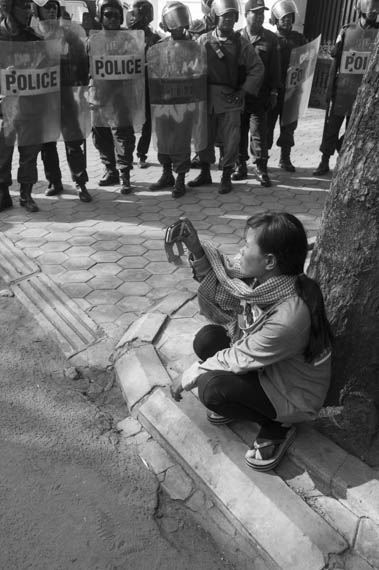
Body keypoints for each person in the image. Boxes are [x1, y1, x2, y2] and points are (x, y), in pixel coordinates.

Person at [171, 212, 332, 471]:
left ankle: (278, 426)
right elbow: (222, 280)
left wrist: (188, 375)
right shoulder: (264, 282)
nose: (241, 252)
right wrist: (197, 249)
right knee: (207, 340)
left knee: (210, 387)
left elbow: (238, 357)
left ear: (269, 261)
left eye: (246, 246)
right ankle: (245, 403)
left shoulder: (290, 317)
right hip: (267, 365)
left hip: (291, 392)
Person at [188, 0, 264, 194]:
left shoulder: (241, 44)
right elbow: (190, 66)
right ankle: (205, 172)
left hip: (230, 98)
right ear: (215, 17)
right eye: (225, 16)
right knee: (203, 136)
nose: (229, 20)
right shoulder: (203, 40)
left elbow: (257, 68)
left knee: (231, 139)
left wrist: (243, 91)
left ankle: (226, 175)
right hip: (205, 97)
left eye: (232, 16)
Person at [33, 0, 92, 203]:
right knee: (47, 143)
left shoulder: (68, 33)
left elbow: (82, 59)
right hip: (43, 95)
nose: (50, 9)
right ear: (37, 9)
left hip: (67, 93)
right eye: (46, 6)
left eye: (53, 6)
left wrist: (83, 86)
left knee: (74, 140)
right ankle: (54, 181)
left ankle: (80, 182)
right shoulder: (33, 34)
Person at [313, 0, 379, 176]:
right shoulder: (347, 31)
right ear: (362, 8)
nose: (374, 13)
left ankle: (343, 163)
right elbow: (335, 62)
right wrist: (328, 90)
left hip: (363, 94)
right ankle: (324, 161)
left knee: (353, 131)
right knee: (331, 128)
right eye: (371, 10)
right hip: (342, 90)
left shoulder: (378, 33)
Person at [148, 1, 199, 198]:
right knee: (163, 140)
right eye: (175, 24)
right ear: (167, 25)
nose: (179, 28)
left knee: (181, 141)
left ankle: (180, 179)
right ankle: (166, 174)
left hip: (184, 102)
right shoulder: (159, 47)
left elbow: (198, 73)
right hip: (163, 103)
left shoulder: (194, 47)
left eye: (182, 24)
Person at [90, 0, 139, 194]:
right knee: (101, 135)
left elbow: (136, 65)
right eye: (108, 14)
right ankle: (110, 170)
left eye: (117, 15)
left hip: (122, 95)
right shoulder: (93, 40)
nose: (113, 19)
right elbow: (87, 67)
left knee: (123, 136)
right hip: (100, 94)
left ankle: (124, 174)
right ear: (101, 17)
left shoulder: (129, 39)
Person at [0, 0, 43, 213]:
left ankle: (26, 194)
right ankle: (2, 193)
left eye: (29, 6)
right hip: (4, 107)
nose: (28, 11)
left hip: (30, 104)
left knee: (30, 151)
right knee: (2, 151)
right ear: (8, 8)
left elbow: (46, 69)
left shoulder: (34, 39)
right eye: (22, 6)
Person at [233, 0, 280, 187]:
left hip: (260, 96)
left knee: (258, 132)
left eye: (262, 14)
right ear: (246, 14)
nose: (260, 17)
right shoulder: (236, 38)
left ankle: (261, 167)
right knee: (238, 131)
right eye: (256, 13)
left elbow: (275, 68)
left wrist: (275, 91)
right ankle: (240, 165)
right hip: (239, 95)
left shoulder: (270, 38)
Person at [267, 0, 306, 172]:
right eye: (283, 18)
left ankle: (285, 158)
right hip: (273, 90)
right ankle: (262, 159)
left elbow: (307, 59)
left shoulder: (300, 39)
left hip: (292, 91)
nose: (287, 21)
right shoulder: (270, 39)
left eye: (289, 17)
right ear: (275, 19)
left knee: (288, 127)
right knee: (266, 126)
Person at [126, 0, 160, 169]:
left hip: (147, 86)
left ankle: (141, 154)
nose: (131, 18)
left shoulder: (155, 38)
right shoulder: (124, 37)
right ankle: (126, 153)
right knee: (127, 121)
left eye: (134, 14)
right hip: (129, 86)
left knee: (146, 121)